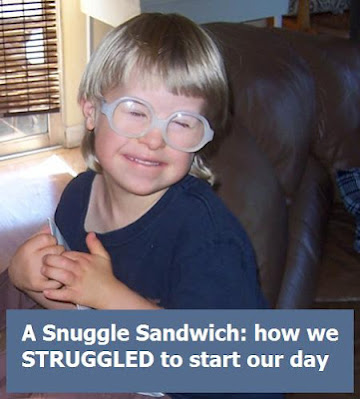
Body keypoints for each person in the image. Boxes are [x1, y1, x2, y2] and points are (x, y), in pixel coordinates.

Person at [7, 12, 281, 399]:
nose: (155, 139)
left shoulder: (210, 240)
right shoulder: (76, 198)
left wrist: (107, 295)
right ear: (90, 112)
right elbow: (84, 326)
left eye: (183, 122)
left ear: (202, 136)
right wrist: (29, 280)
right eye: (136, 112)